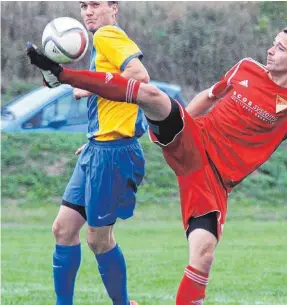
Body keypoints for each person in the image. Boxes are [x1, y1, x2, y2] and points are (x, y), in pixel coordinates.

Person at [26, 27, 287, 305]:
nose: (271, 50)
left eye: (280, 48)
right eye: (273, 44)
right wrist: (177, 122)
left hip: (214, 180)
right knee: (152, 96)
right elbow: (209, 95)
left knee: (203, 255)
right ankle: (62, 75)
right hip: (193, 140)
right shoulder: (245, 68)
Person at [44, 2, 149, 305]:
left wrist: (88, 87)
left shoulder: (108, 35)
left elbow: (139, 76)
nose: (88, 11)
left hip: (113, 154)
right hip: (97, 148)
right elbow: (122, 99)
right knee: (63, 229)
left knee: (98, 240)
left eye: (95, 4)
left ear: (113, 7)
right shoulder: (99, 43)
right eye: (83, 5)